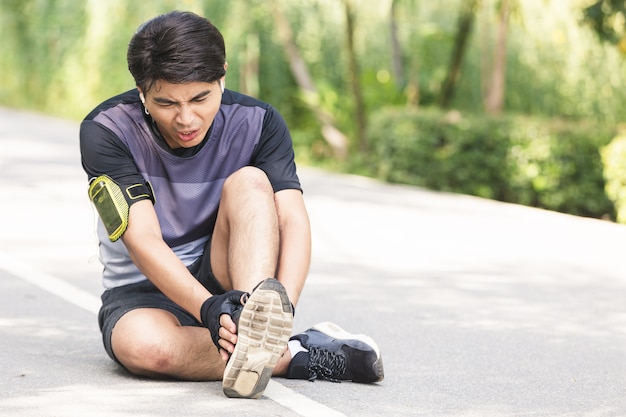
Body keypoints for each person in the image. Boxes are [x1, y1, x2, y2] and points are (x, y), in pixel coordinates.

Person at [79, 10, 384, 399]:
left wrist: (281, 309)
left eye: (201, 98)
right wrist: (207, 308)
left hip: (223, 268)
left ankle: (259, 326)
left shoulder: (259, 122)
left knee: (252, 182)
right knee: (144, 349)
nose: (186, 118)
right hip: (143, 287)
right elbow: (143, 239)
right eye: (167, 102)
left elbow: (292, 220)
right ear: (141, 91)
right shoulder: (106, 131)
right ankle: (290, 355)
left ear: (222, 75)